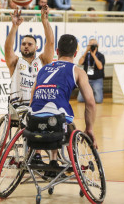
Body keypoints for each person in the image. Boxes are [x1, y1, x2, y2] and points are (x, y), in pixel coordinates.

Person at [30, 34, 97, 165]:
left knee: (52, 115)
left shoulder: (43, 69)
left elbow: (32, 95)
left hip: (33, 121)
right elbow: (90, 102)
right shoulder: (77, 71)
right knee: (63, 120)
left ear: (57, 51)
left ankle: (38, 155)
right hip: (57, 124)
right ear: (76, 53)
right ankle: (56, 161)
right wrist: (89, 128)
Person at [5, 6, 54, 106]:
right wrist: (14, 26)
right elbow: (8, 48)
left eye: (30, 44)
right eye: (23, 44)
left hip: (38, 104)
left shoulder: (43, 61)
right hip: (19, 106)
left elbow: (51, 42)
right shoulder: (15, 62)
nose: (26, 46)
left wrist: (45, 21)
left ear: (36, 47)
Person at [77, 38, 105, 104]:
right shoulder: (86, 55)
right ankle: (90, 95)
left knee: (98, 100)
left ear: (97, 45)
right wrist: (86, 51)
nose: (92, 46)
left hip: (97, 80)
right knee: (80, 99)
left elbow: (100, 67)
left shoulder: (100, 56)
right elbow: (80, 63)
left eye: (93, 44)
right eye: (90, 44)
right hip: (87, 79)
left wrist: (94, 56)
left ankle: (92, 95)